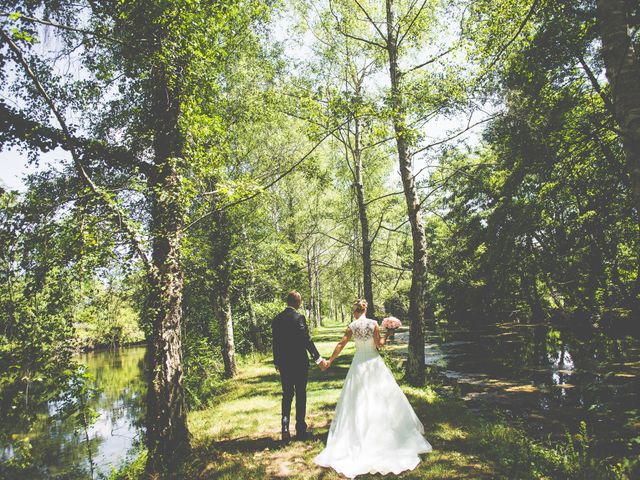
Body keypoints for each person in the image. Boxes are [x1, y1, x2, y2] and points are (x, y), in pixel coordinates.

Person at [314, 299, 432, 478]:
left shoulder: (352, 326)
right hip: (374, 363)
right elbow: (380, 345)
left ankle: (358, 434)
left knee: (357, 400)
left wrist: (329, 361)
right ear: (365, 309)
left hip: (359, 363)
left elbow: (341, 344)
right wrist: (389, 333)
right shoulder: (374, 324)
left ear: (355, 311)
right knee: (382, 398)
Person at [272, 290, 328, 441]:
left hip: (284, 363)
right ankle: (300, 429)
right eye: (300, 301)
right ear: (297, 302)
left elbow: (275, 343)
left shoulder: (277, 319)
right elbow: (306, 340)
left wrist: (277, 361)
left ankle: (284, 427)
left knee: (287, 394)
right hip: (299, 363)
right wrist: (318, 359)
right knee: (300, 394)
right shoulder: (298, 318)